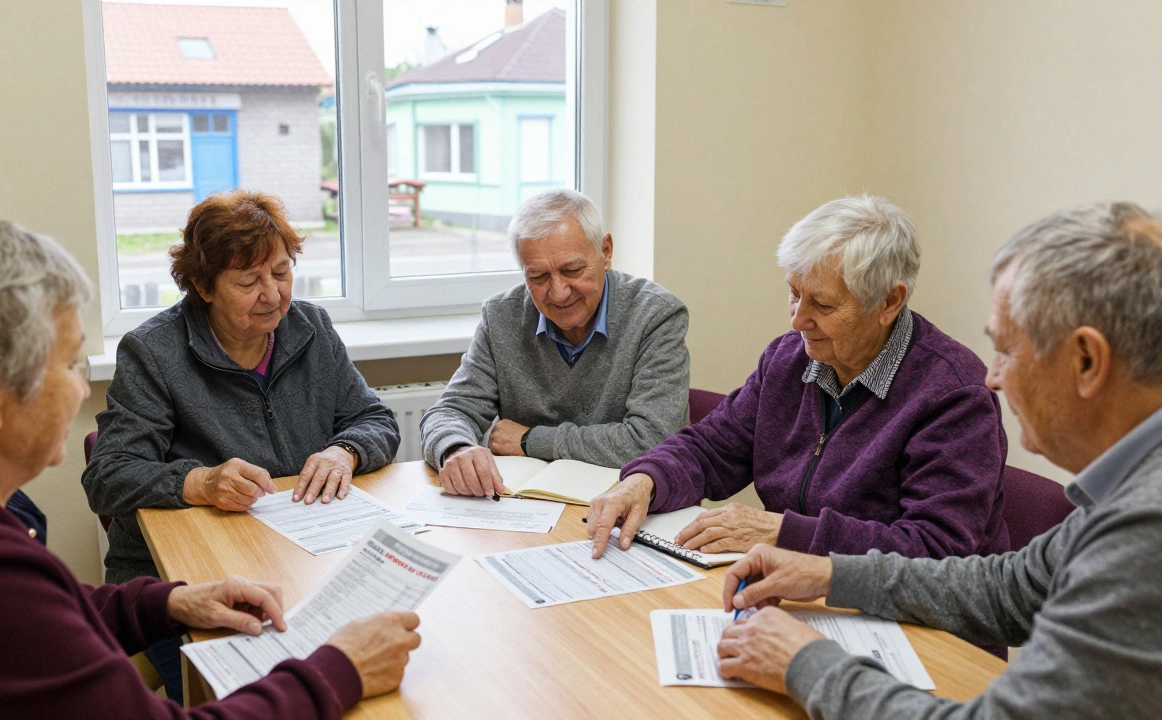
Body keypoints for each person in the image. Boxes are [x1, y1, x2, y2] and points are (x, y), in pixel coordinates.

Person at [0, 209, 420, 719]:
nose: (81, 390)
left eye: (281, 273)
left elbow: (35, 609)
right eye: (68, 364)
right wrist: (338, 669)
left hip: (281, 565)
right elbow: (100, 487)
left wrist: (168, 603)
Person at [715, 202, 1162, 718]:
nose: (993, 376)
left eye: (1007, 350)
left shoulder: (1144, 529)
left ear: (1086, 360)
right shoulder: (1129, 491)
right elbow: (1010, 588)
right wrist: (828, 573)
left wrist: (804, 663)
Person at [82, 190, 400, 697]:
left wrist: (345, 451)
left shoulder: (311, 328)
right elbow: (108, 475)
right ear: (203, 286)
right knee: (264, 697)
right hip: (183, 585)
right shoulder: (154, 351)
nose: (272, 295)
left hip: (300, 559)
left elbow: (375, 419)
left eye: (281, 272)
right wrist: (199, 482)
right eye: (248, 282)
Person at [589, 195, 1009, 561]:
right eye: (794, 293)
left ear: (889, 302)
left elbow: (935, 549)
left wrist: (785, 533)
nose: (797, 320)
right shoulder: (788, 359)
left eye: (822, 305)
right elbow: (713, 449)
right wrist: (645, 480)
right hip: (798, 584)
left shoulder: (953, 395)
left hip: (906, 617)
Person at [419, 188, 690, 497]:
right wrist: (455, 449)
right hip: (530, 504)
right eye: (538, 277)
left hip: (629, 500)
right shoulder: (501, 317)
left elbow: (652, 440)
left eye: (572, 270)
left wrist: (529, 440)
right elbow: (449, 412)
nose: (559, 292)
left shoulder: (656, 315)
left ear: (606, 252)